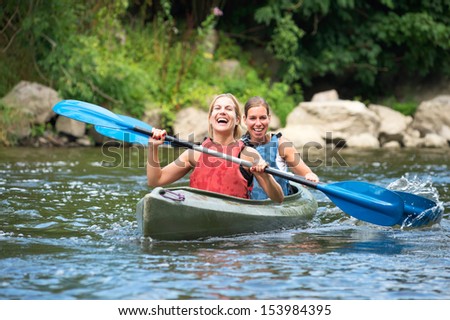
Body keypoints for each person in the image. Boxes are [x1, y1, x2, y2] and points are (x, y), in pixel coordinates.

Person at [147, 93, 284, 203]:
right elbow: (156, 180)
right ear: (210, 118)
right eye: (217, 108)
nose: (222, 112)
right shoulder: (195, 154)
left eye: (228, 109)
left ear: (237, 120)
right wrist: (153, 147)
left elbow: (278, 199)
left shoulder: (248, 155)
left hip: (234, 225)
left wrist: (265, 176)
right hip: (199, 214)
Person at [242, 96, 319, 200]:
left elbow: (307, 173)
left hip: (280, 206)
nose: (258, 123)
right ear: (244, 119)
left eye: (263, 118)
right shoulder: (239, 146)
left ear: (269, 118)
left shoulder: (283, 145)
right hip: (251, 207)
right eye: (253, 118)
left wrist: (310, 176)